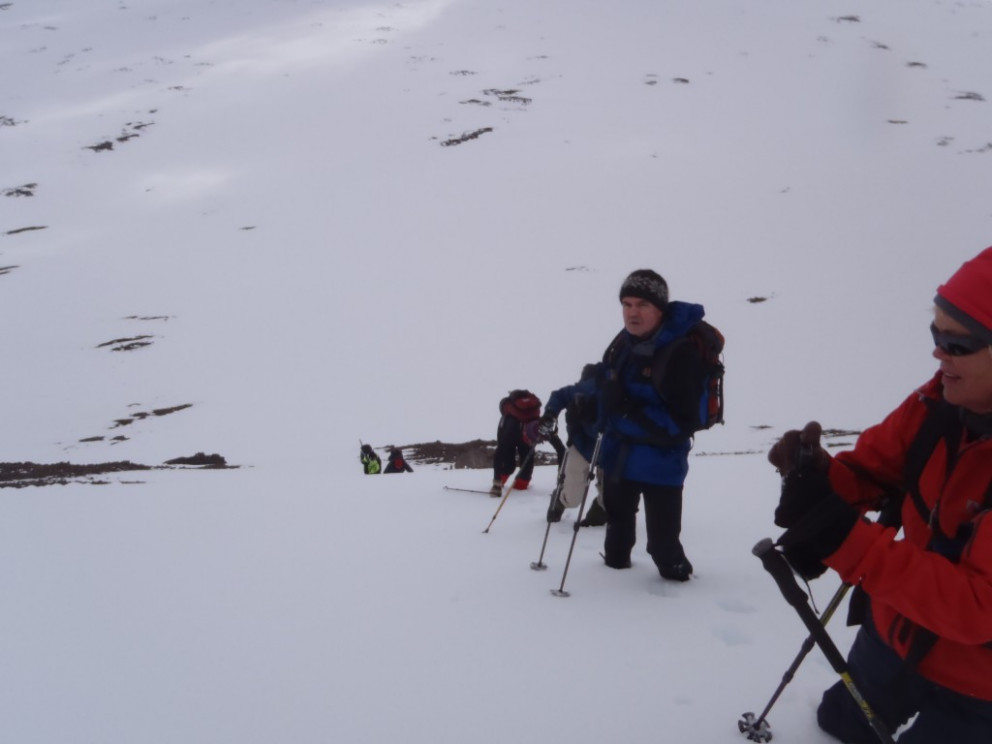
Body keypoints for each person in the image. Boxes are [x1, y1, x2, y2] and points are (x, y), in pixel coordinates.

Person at [767, 245, 992, 743]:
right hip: (896, 631)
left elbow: (979, 605)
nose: (938, 354)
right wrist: (821, 479)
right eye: (935, 335)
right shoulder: (936, 403)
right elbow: (872, 470)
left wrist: (843, 539)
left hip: (980, 684)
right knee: (837, 725)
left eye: (957, 344)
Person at [536, 269, 708, 581]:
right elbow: (596, 385)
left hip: (661, 467)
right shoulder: (623, 346)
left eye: (642, 304)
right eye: (627, 304)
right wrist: (554, 407)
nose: (632, 312)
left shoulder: (681, 355)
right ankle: (612, 595)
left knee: (663, 549)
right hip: (618, 460)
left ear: (660, 309)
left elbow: (681, 424)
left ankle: (682, 595)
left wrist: (626, 408)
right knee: (616, 545)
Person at [543, 364, 607, 526]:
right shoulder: (587, 388)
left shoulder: (627, 388)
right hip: (582, 444)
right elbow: (560, 396)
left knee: (611, 496)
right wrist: (550, 413)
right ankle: (561, 500)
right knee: (572, 497)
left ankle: (599, 513)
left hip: (610, 450)